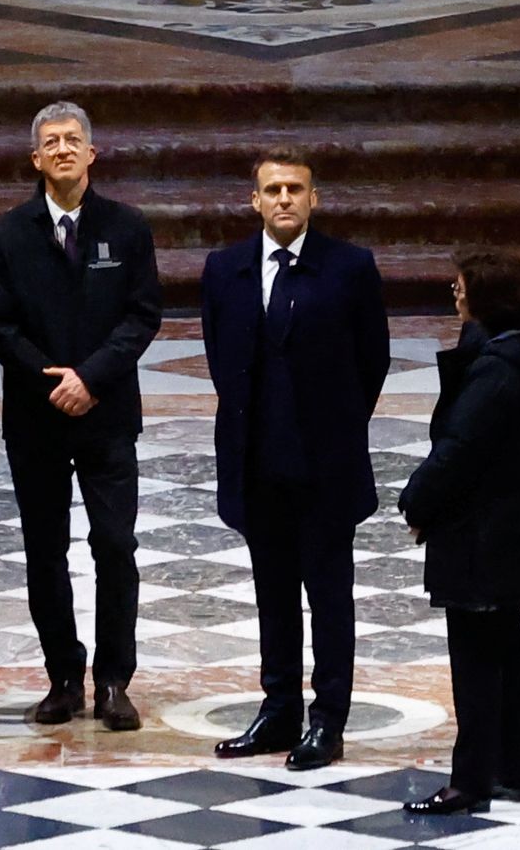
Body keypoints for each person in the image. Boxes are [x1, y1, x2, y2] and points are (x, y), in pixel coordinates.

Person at [0, 100, 161, 731]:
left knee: (115, 545)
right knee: (43, 550)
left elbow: (142, 315)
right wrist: (50, 378)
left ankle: (114, 681)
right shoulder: (6, 233)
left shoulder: (128, 227)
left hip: (107, 413)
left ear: (91, 153)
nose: (61, 149)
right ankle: (62, 676)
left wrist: (92, 377)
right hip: (36, 415)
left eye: (72, 139)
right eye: (49, 141)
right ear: (35, 158)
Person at [198, 152, 387, 771]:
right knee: (272, 595)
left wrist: (334, 425)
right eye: (272, 189)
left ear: (315, 198)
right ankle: (278, 709)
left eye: (295, 189)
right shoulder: (224, 269)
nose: (284, 198)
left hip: (324, 467)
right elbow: (220, 355)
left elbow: (372, 360)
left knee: (330, 598)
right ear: (254, 200)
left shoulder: (350, 267)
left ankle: (327, 718)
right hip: (256, 464)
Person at [400, 250, 520, 816]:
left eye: (462, 286)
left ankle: (470, 781)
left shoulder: (496, 371)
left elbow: (457, 454)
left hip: (481, 536)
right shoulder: (516, 357)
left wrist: (415, 502)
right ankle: (512, 771)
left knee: (476, 661)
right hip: (509, 530)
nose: (454, 292)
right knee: (506, 653)